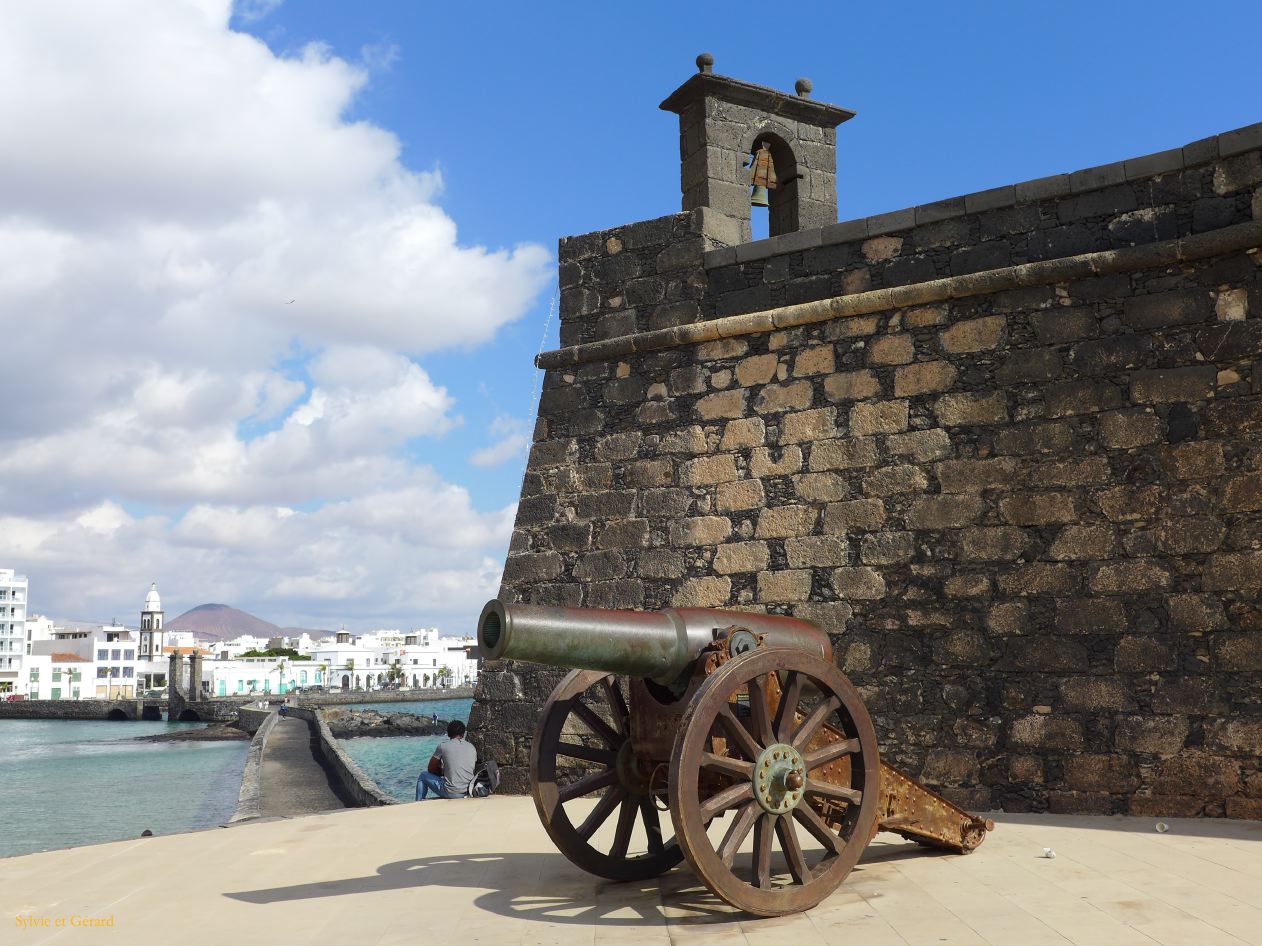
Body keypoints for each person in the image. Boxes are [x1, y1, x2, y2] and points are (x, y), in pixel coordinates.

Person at [416, 720, 476, 800]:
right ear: (463, 733)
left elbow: (430, 769)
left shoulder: (443, 746)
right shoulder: (471, 747)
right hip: (469, 791)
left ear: (448, 733)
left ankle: (418, 802)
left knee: (423, 776)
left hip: (452, 792)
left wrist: (441, 771)